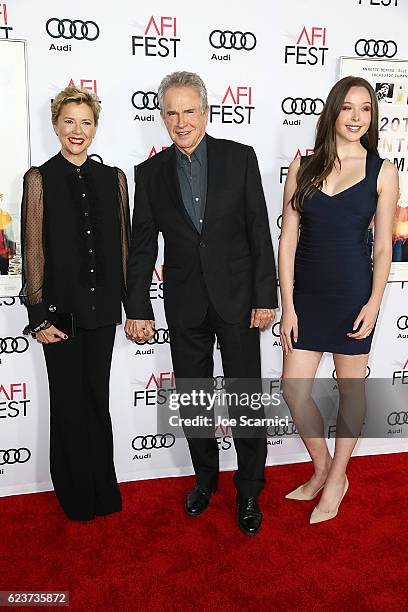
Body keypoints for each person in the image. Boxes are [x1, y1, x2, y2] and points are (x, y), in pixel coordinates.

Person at [125, 71, 277, 536]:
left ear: (206, 112)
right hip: (185, 301)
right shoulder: (149, 174)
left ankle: (249, 489)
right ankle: (205, 480)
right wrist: (137, 307)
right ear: (162, 117)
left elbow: (258, 231)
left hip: (238, 299)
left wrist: (264, 296)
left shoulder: (240, 158)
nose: (181, 120)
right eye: (171, 112)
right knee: (194, 398)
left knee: (245, 398)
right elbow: (143, 245)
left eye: (189, 110)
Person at [279, 76, 399, 524]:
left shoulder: (382, 170)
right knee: (294, 389)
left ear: (372, 117)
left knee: (351, 389)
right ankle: (324, 467)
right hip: (307, 297)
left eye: (365, 109)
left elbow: (384, 247)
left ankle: (335, 480)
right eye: (347, 107)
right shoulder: (302, 167)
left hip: (353, 293)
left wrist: (374, 302)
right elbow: (287, 239)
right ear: (332, 111)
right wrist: (288, 306)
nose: (355, 118)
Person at [20, 86, 130, 521]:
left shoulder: (113, 179)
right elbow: (34, 254)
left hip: (102, 312)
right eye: (69, 122)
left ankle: (103, 489)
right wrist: (37, 315)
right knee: (67, 403)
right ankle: (74, 495)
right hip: (58, 315)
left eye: (86, 122)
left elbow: (123, 250)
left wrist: (132, 306)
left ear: (96, 127)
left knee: (95, 401)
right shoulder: (40, 179)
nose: (77, 130)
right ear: (55, 126)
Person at [0, 193, 16, 275]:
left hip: (4, 251)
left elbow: (11, 234)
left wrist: (13, 249)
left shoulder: (6, 216)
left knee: (4, 273)